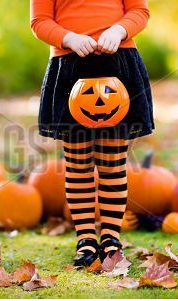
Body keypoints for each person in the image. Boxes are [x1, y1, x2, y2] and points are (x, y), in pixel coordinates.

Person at [30, 0, 154, 266]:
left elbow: (139, 11)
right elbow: (39, 22)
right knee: (77, 165)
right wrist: (69, 38)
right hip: (70, 66)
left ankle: (110, 237)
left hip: (117, 65)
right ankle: (85, 238)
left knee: (113, 164)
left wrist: (119, 30)